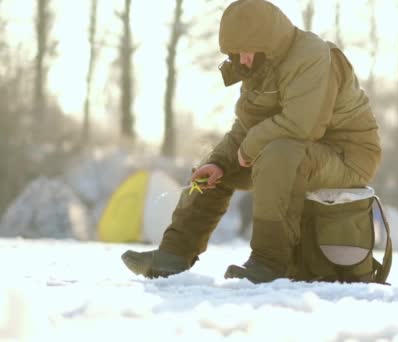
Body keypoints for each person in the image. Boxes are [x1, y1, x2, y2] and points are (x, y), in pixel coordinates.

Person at [121, 0, 382, 283]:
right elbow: (244, 128)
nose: (242, 61)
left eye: (246, 52)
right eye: (236, 54)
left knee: (277, 155)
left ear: (267, 40)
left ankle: (269, 262)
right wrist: (220, 163)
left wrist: (249, 147)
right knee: (214, 168)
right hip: (296, 152)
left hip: (348, 157)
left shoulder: (312, 55)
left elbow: (302, 125)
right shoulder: (260, 66)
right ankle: (173, 255)